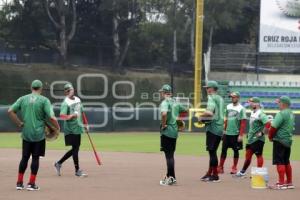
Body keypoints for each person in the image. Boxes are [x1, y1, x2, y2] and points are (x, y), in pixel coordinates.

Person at [8, 80, 60, 191]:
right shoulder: (44, 100)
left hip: (26, 133)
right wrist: (58, 127)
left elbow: (10, 111)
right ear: (41, 88)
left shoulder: (23, 98)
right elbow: (51, 117)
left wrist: (19, 123)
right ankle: (31, 184)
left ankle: (19, 183)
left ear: (31, 88)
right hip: (39, 135)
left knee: (24, 158)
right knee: (35, 158)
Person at [54, 83, 88, 177]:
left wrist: (85, 124)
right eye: (69, 90)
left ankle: (59, 163)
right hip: (70, 129)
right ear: (66, 92)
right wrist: (71, 116)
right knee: (75, 149)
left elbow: (82, 112)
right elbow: (62, 115)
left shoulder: (78, 99)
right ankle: (77, 170)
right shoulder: (65, 103)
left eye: (72, 89)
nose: (71, 91)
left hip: (78, 127)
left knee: (75, 149)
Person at [158, 84, 187, 186]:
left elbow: (164, 114)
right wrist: (179, 119)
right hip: (174, 132)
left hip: (167, 132)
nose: (160, 93)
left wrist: (164, 124)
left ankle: (170, 178)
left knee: (168, 156)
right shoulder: (176, 102)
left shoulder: (165, 102)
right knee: (171, 155)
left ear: (164, 92)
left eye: (161, 92)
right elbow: (186, 110)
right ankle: (172, 177)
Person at [235, 97, 271, 177]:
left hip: (258, 139)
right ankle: (242, 172)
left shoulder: (260, 113)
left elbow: (268, 124)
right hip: (250, 139)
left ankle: (258, 174)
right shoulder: (253, 112)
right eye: (250, 102)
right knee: (247, 156)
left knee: (259, 155)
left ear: (257, 103)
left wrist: (262, 133)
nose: (250, 104)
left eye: (252, 102)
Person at [199, 80, 224, 182]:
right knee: (213, 152)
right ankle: (210, 173)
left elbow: (209, 112)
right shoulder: (220, 98)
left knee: (212, 152)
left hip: (213, 128)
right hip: (219, 128)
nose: (206, 89)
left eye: (207, 87)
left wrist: (201, 117)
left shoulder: (211, 97)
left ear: (211, 88)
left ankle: (215, 175)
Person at [268, 96, 295, 190]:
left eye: (279, 103)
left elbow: (273, 127)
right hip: (288, 140)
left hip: (279, 140)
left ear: (283, 103)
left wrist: (270, 137)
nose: (278, 104)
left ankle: (281, 183)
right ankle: (289, 182)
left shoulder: (281, 113)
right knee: (286, 161)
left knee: (279, 161)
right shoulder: (291, 113)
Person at [218, 92, 247, 174]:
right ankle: (220, 167)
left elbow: (243, 122)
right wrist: (224, 129)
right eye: (231, 97)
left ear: (238, 98)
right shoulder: (228, 106)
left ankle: (234, 167)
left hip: (236, 133)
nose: (232, 98)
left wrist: (241, 135)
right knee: (223, 150)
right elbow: (226, 119)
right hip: (227, 133)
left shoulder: (241, 108)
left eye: (234, 97)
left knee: (236, 151)